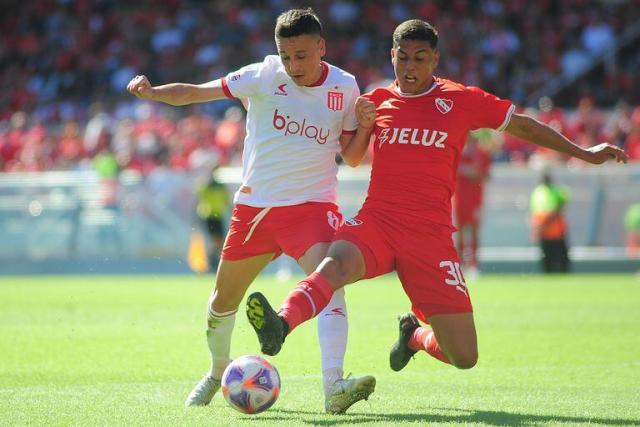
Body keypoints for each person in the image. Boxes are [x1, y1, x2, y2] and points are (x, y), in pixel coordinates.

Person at [245, 19, 628, 377]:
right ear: (391, 57)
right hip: (377, 221)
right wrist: (361, 124)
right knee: (334, 266)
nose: (409, 68)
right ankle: (281, 323)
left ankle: (414, 336)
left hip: (430, 237)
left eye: (419, 59)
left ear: (435, 60)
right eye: (402, 58)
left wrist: (585, 152)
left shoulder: (461, 100)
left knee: (464, 356)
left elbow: (522, 124)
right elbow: (354, 158)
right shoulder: (375, 100)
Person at [126, 8, 376, 414]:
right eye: (286, 55)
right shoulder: (263, 75)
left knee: (330, 282)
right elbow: (193, 92)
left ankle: (334, 386)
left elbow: (350, 156)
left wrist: (364, 126)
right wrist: (153, 94)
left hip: (311, 207)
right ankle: (216, 371)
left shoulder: (345, 87)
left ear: (321, 48)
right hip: (255, 209)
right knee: (222, 302)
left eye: (302, 55)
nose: (293, 65)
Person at [453, 133, 492, 279]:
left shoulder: (481, 152)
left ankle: (474, 265)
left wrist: (473, 173)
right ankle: (460, 264)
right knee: (459, 231)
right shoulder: (456, 149)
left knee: (474, 231)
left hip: (475, 198)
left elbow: (487, 175)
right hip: (458, 197)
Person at [529, 173, 571, 273]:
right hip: (545, 231)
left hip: (556, 230)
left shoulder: (556, 191)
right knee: (547, 257)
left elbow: (558, 208)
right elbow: (535, 212)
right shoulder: (538, 192)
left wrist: (539, 227)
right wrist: (536, 229)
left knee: (561, 257)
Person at [195, 165, 231, 270]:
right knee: (216, 241)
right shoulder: (209, 185)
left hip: (215, 215)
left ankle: (212, 263)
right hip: (210, 216)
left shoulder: (215, 186)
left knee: (218, 242)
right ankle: (211, 263)